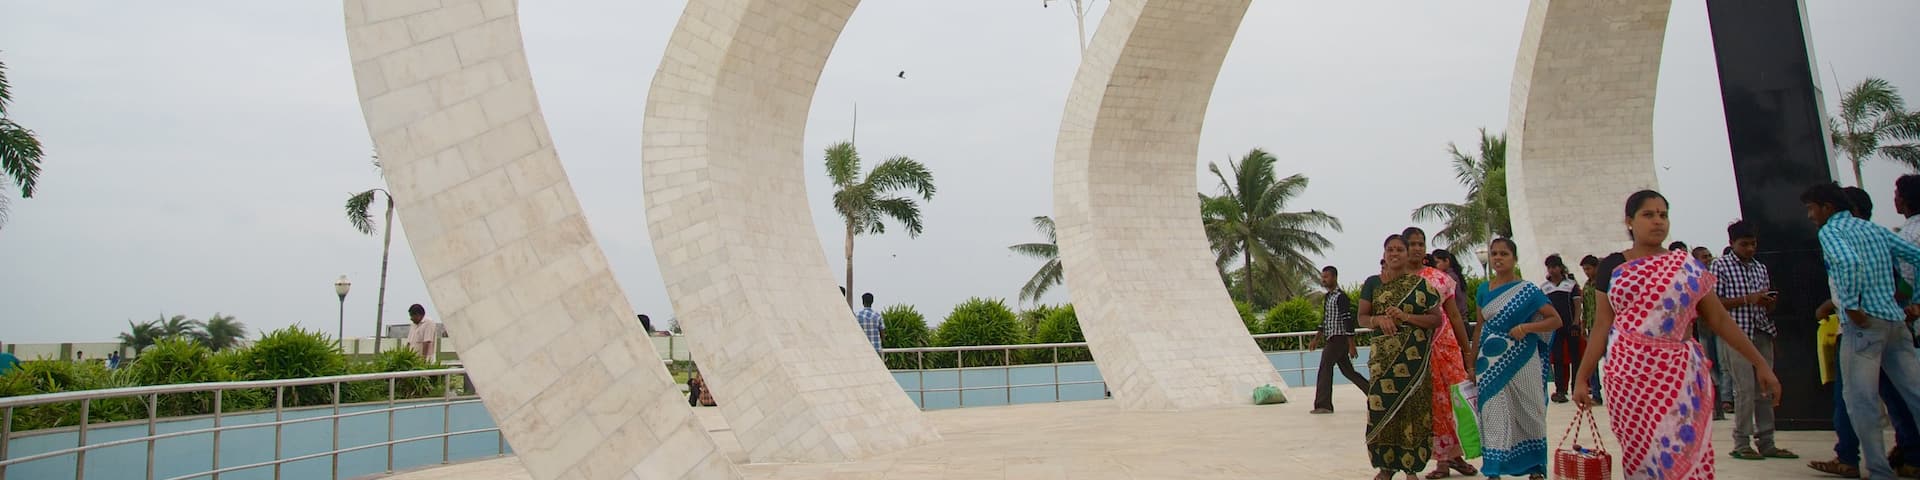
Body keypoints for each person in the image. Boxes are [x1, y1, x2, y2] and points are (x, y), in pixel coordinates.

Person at [1572, 189, 1782, 479]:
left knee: (1677, 454)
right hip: (1628, 378)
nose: (1657, 221)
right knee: (1643, 457)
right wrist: (1582, 378)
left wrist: (1759, 363)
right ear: (1629, 221)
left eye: (1663, 215)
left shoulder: (1685, 265)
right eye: (1648, 214)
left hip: (1680, 376)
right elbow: (1601, 326)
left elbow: (1720, 319)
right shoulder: (1612, 266)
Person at [1804, 181, 1920, 479]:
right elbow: (1915, 256)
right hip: (1894, 322)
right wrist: (1916, 301)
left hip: (1863, 326)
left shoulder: (1831, 231)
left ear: (1827, 208)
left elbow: (1848, 262)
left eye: (1811, 208)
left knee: (1861, 402)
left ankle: (1879, 470)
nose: (1810, 215)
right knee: (1915, 393)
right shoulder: (1872, 229)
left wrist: (1853, 304)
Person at [1474, 238, 1562, 479]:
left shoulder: (1528, 290)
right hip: (1489, 362)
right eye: (1494, 254)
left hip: (1522, 359)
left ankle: (1535, 468)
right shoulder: (1483, 290)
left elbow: (1555, 320)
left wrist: (1526, 328)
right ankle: (1494, 469)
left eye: (1504, 253)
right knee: (1492, 411)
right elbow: (1479, 327)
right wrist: (1471, 361)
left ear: (1514, 258)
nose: (1498, 258)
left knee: (1529, 409)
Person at [1362, 234, 1448, 480]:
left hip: (1414, 361)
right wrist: (1378, 320)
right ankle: (1385, 467)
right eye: (1390, 249)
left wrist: (1405, 317)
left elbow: (1436, 319)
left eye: (1400, 249)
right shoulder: (1372, 283)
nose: (1395, 253)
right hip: (1383, 360)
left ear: (1408, 252)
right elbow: (1362, 318)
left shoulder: (1422, 286)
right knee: (1381, 406)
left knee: (1414, 410)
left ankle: (1412, 469)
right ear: (1384, 253)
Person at [1708, 220, 1795, 460]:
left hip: (1761, 330)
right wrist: (1749, 299)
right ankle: (1741, 442)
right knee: (1744, 389)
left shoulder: (1760, 268)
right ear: (1731, 243)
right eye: (1744, 244)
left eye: (1753, 244)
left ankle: (1767, 441)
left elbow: (1763, 299)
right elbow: (1713, 304)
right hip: (1736, 333)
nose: (1749, 249)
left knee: (1765, 389)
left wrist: (1767, 301)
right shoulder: (1720, 266)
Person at [1401, 228, 1477, 479]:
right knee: (1432, 405)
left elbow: (1454, 315)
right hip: (1416, 352)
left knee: (1454, 400)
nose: (1417, 248)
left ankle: (1457, 456)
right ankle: (1442, 461)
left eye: (1421, 243)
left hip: (1445, 347)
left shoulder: (1438, 278)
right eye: (1411, 244)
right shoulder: (1396, 280)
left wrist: (1467, 351)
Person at [1312, 265, 1368, 414]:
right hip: (1332, 337)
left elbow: (1347, 320)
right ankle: (1373, 393)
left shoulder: (1341, 297)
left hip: (1338, 339)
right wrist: (1316, 338)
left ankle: (1323, 405)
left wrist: (1351, 344)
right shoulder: (1328, 297)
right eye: (1323, 277)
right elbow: (1325, 319)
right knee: (1348, 371)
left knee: (1325, 368)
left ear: (1334, 277)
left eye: (1327, 277)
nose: (1324, 280)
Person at [1540, 254, 1582, 404]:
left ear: (1560, 267)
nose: (1552, 270)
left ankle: (1576, 387)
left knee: (1575, 358)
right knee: (1557, 358)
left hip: (1570, 326)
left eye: (1554, 266)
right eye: (1549, 267)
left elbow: (1577, 306)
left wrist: (1576, 323)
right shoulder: (1544, 287)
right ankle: (1560, 390)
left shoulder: (1571, 285)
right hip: (1554, 328)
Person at [1578, 255, 1605, 405]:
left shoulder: (1604, 284)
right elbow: (1585, 308)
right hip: (1591, 328)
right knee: (1592, 363)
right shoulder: (1587, 286)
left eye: (1588, 268)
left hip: (1607, 328)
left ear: (1596, 268)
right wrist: (1583, 326)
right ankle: (1596, 393)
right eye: (1584, 270)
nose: (1587, 272)